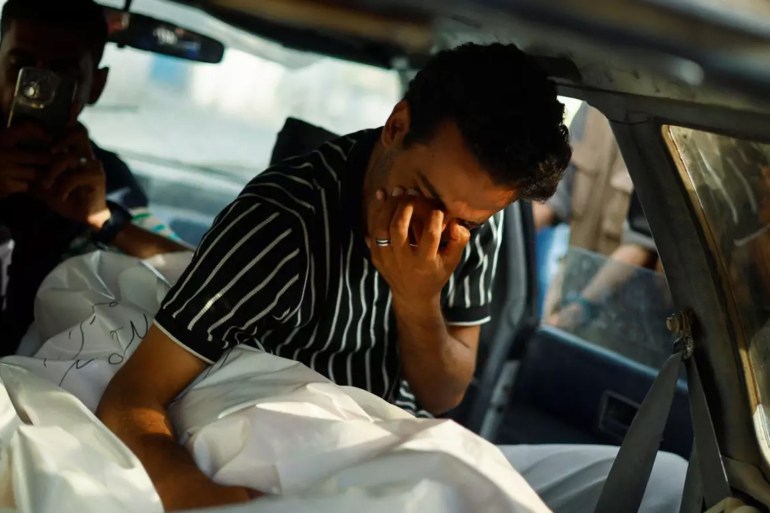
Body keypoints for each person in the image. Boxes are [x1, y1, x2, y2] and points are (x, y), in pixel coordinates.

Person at [98, 43, 686, 512]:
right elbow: (132, 398)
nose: (434, 228)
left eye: (466, 218)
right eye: (425, 195)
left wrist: (417, 297)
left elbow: (445, 394)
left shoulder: (474, 223)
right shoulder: (283, 222)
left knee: (666, 479)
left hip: (406, 435)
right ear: (397, 125)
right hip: (294, 438)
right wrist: (199, 498)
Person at [0, 0, 189, 353]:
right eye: (21, 67)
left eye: (61, 74)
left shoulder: (104, 177)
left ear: (96, 85)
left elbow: (192, 272)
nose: (38, 89)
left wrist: (105, 220)